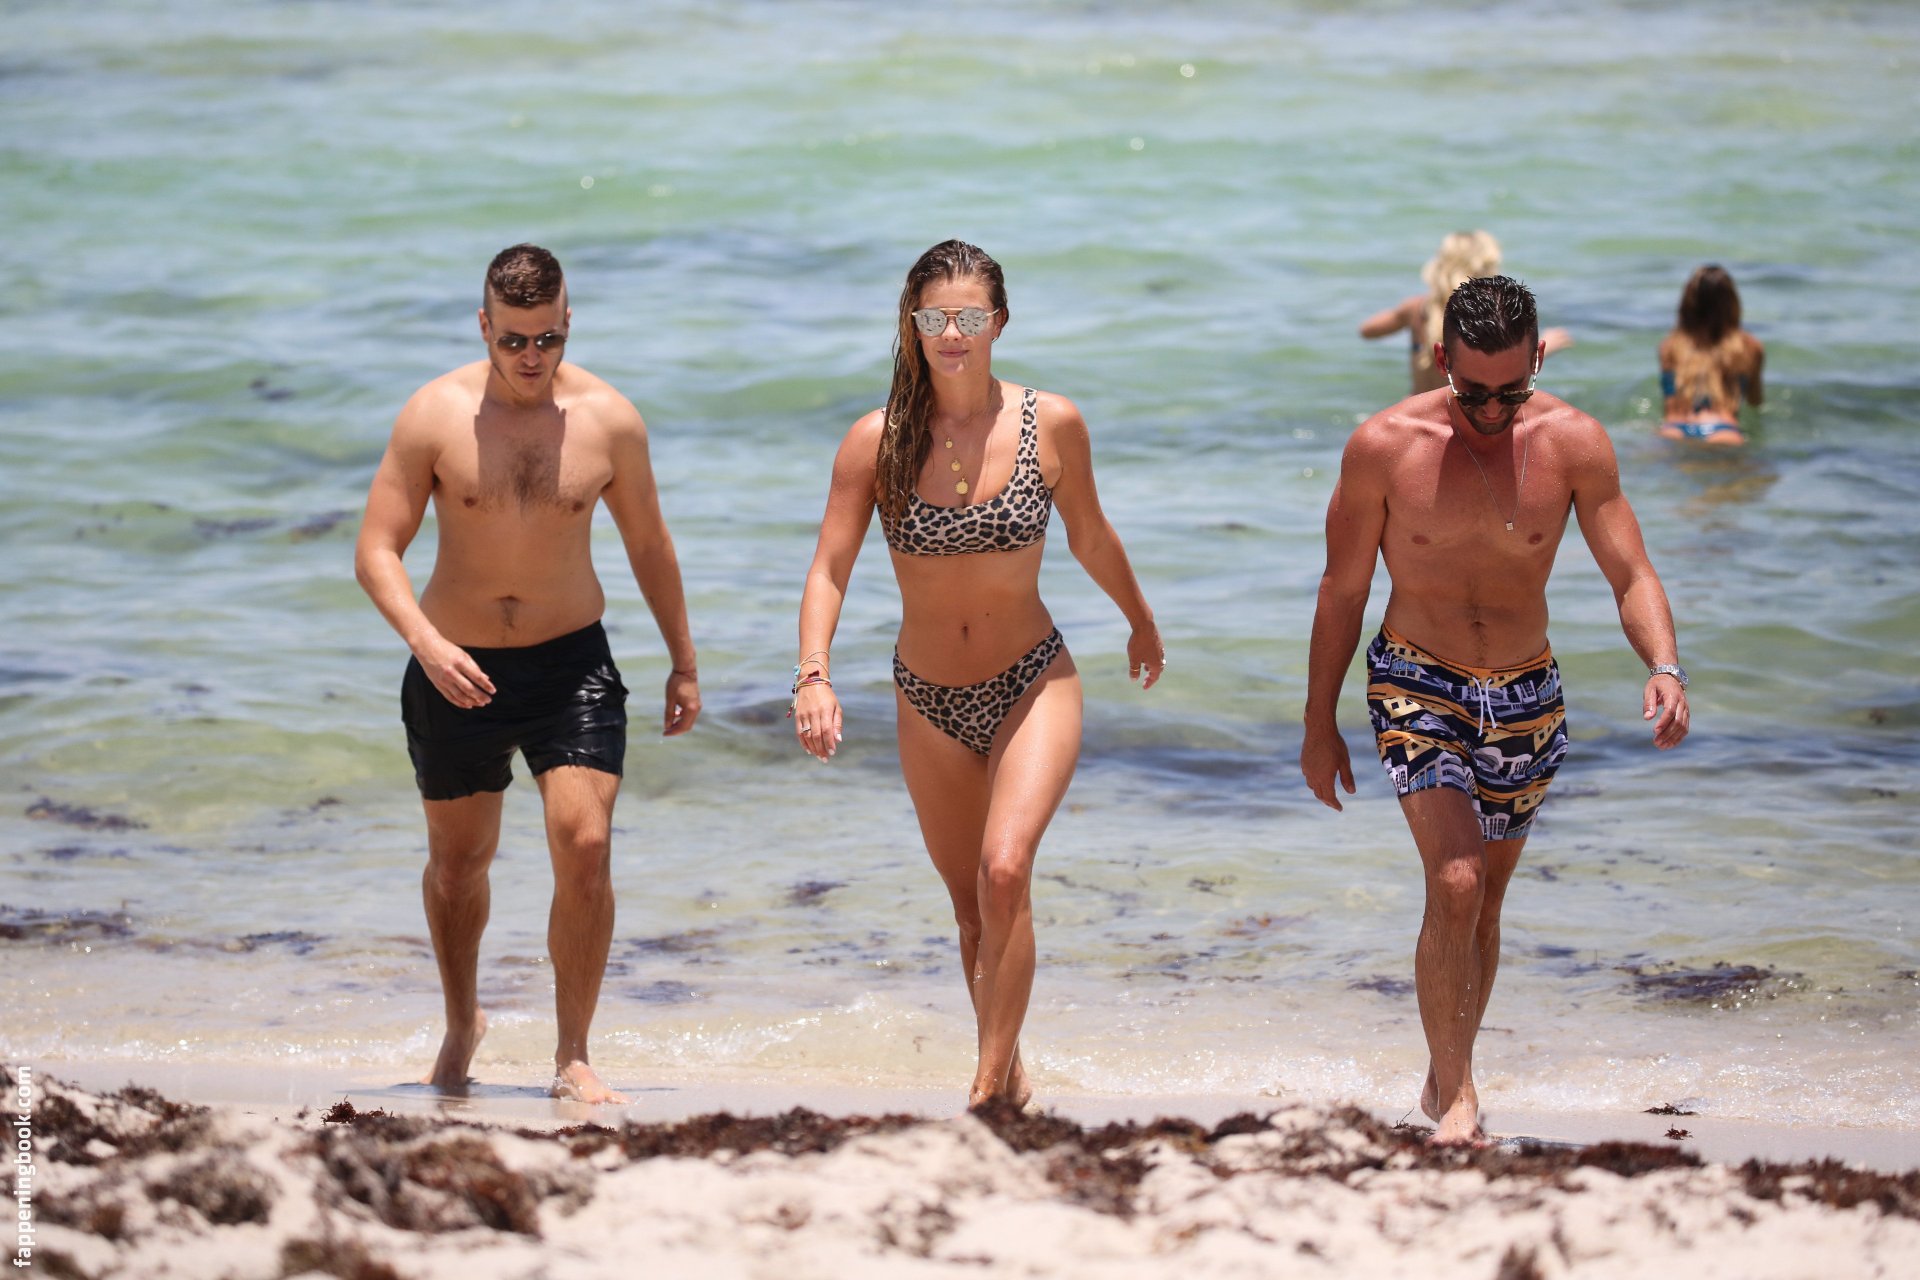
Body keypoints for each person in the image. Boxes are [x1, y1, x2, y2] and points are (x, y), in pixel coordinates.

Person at [1301, 275, 1690, 1145]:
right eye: (1471, 390)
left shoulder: (1575, 443)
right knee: (1456, 879)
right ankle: (1462, 1101)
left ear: (1538, 359)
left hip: (1525, 693)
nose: (1488, 411)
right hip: (1416, 678)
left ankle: (1446, 1075)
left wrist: (1664, 665)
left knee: (1483, 904)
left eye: (1510, 392)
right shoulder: (1383, 446)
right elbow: (1342, 590)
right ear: (1441, 358)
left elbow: (1631, 572)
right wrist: (1318, 722)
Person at [793, 239, 1165, 1109]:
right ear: (912, 325)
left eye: (968, 317)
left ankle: (985, 1091)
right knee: (970, 910)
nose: (952, 334)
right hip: (925, 698)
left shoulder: (1051, 423)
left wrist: (1140, 619)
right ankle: (1011, 1078)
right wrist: (814, 674)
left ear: (999, 321)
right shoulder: (877, 441)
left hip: (1033, 678)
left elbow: (1091, 535)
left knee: (1005, 871)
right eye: (934, 318)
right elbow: (830, 567)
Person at [354, 243, 700, 1105]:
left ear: (568, 323)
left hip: (570, 664)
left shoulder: (609, 421)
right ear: (484, 327)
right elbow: (376, 550)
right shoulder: (433, 415)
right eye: (513, 340)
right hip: (453, 666)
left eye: (547, 338)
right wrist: (426, 643)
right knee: (457, 866)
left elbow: (650, 545)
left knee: (585, 844)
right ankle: (461, 1022)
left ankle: (572, 1053)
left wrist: (684, 662)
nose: (531, 357)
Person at [1360, 231, 1571, 394]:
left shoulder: (1417, 309)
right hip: (1461, 420)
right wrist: (1543, 350)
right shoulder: (1486, 317)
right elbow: (1497, 369)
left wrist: (1403, 318)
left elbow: (1368, 330)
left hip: (1416, 416)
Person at [1657, 265, 1765, 446]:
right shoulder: (1749, 347)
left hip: (1674, 429)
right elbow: (1755, 402)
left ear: (1687, 303)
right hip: (1723, 430)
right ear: (1732, 303)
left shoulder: (1670, 346)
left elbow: (1668, 402)